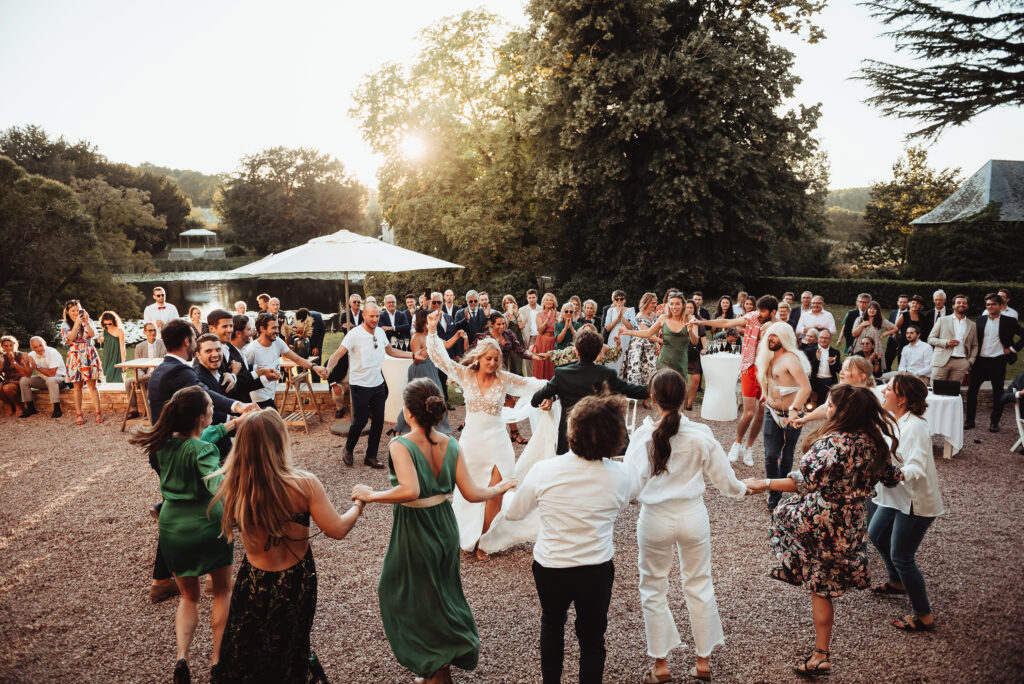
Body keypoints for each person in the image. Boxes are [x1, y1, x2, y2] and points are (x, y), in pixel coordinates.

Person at [352, 379, 515, 684]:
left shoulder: (400, 444)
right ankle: (438, 663)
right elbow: (470, 492)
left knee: (394, 591)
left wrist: (371, 495)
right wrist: (497, 489)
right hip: (444, 525)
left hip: (417, 529)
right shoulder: (451, 444)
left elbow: (410, 489)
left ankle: (435, 664)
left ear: (408, 412)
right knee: (439, 594)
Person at [743, 384, 903, 678]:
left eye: (830, 405)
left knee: (782, 513)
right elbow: (892, 477)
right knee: (822, 585)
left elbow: (801, 483)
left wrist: (763, 484)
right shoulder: (875, 442)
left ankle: (792, 568)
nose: (827, 408)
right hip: (852, 524)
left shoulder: (832, 445)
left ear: (843, 411)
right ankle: (820, 653)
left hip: (822, 520)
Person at [208, 410, 361, 683]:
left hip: (254, 580)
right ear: (280, 441)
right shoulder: (304, 484)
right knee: (291, 644)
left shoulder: (234, 485)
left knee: (248, 646)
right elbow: (337, 529)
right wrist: (359, 504)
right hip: (295, 582)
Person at [505, 392, 641, 684]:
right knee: (593, 638)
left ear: (571, 431)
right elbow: (633, 494)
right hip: (596, 567)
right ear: (612, 435)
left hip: (551, 565)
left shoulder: (544, 471)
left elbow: (514, 514)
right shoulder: (622, 475)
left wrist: (506, 493)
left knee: (552, 625)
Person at [623, 369, 747, 683]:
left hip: (654, 519)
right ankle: (702, 662)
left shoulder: (643, 437)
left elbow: (629, 487)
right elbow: (727, 482)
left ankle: (661, 666)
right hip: (693, 516)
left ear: (652, 399)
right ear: (684, 399)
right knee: (700, 584)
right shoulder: (701, 435)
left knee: (653, 588)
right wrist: (746, 489)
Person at [129, 386, 237, 684]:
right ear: (201, 417)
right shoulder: (203, 450)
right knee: (222, 592)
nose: (213, 412)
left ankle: (182, 659)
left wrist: (230, 425)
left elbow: (197, 441)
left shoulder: (162, 444)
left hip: (172, 526)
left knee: (189, 597)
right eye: (211, 409)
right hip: (206, 525)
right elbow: (216, 483)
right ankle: (216, 660)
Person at [145, 319, 255, 602]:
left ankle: (162, 580)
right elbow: (205, 397)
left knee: (180, 506)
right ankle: (210, 576)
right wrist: (238, 407)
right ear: (187, 342)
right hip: (180, 451)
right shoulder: (180, 371)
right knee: (210, 502)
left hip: (167, 449)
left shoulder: (161, 369)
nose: (195, 344)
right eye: (194, 340)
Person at [425, 310, 547, 559]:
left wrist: (548, 395)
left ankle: (485, 540)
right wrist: (431, 331)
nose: (493, 363)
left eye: (496, 359)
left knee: (497, 489)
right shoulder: (465, 374)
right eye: (489, 359)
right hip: (471, 442)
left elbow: (533, 384)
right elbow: (440, 360)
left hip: (497, 441)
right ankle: (465, 532)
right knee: (470, 490)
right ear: (479, 358)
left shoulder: (503, 379)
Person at [870, 374, 944, 633]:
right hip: (894, 498)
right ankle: (896, 582)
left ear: (902, 399)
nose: (884, 392)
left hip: (914, 502)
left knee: (902, 556)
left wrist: (896, 474)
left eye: (889, 389)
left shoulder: (915, 427)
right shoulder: (893, 418)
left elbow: (916, 466)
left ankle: (923, 614)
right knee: (876, 534)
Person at [325, 302, 424, 469]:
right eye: (372, 316)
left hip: (378, 385)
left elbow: (391, 351)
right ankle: (348, 449)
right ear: (364, 316)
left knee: (378, 422)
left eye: (377, 316)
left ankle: (371, 456)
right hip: (360, 386)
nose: (375, 319)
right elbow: (337, 354)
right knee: (360, 421)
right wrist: (328, 369)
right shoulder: (354, 334)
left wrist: (413, 354)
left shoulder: (380, 332)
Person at [692, 295, 779, 467]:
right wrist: (701, 322)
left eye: (763, 311)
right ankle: (737, 443)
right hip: (749, 367)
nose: (759, 313)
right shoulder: (752, 317)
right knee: (748, 412)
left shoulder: (778, 327)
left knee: (761, 414)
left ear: (773, 312)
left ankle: (749, 447)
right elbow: (726, 323)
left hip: (767, 372)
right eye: (758, 310)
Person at [531, 329, 648, 455]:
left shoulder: (562, 374)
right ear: (599, 351)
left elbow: (535, 400)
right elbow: (636, 391)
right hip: (599, 438)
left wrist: (551, 395)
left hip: (570, 438)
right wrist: (659, 383)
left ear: (576, 351)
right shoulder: (606, 374)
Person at [756, 322, 813, 510]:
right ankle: (774, 492)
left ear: (785, 338)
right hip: (771, 412)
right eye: (770, 336)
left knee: (787, 454)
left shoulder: (790, 359)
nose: (771, 339)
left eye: (776, 336)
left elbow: (806, 388)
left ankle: (779, 490)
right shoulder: (767, 358)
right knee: (771, 455)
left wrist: (794, 409)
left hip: (792, 415)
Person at [243, 313, 327, 410]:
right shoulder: (251, 350)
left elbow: (297, 359)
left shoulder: (277, 342)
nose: (277, 331)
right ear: (262, 329)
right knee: (277, 423)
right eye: (274, 328)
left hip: (270, 395)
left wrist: (314, 367)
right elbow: (245, 378)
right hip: (258, 400)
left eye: (277, 328)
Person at [966, 293, 1024, 431]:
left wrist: (1012, 349)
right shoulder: (980, 320)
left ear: (1000, 305)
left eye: (993, 304)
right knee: (972, 391)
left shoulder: (1009, 321)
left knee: (998, 393)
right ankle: (969, 421)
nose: (990, 307)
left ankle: (994, 423)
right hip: (980, 361)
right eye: (988, 304)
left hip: (998, 361)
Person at [617, 292, 699, 385]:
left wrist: (690, 331)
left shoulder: (690, 319)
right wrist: (628, 332)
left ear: (683, 305)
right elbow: (648, 333)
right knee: (662, 393)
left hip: (680, 363)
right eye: (671, 304)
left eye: (677, 304)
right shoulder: (663, 318)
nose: (674, 307)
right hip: (664, 362)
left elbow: (695, 341)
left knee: (679, 394)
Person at [395, 309, 453, 437]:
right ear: (423, 322)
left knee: (438, 396)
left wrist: (459, 335)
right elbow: (415, 361)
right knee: (416, 400)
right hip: (419, 369)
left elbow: (447, 345)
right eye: (429, 320)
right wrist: (421, 354)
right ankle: (399, 427)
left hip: (432, 368)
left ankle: (441, 430)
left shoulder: (432, 336)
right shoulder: (416, 338)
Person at [61, 299, 103, 425]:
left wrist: (86, 322)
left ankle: (98, 412)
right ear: (67, 312)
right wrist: (77, 324)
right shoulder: (64, 325)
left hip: (89, 354)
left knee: (92, 386)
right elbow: (70, 339)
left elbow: (93, 334)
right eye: (72, 311)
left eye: (77, 310)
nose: (75, 313)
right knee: (77, 386)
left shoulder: (87, 320)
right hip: (75, 355)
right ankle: (79, 414)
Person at [928, 294, 978, 383]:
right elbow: (930, 339)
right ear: (953, 306)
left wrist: (970, 361)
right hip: (941, 360)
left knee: (954, 391)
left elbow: (975, 345)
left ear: (967, 306)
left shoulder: (972, 325)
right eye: (958, 302)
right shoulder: (942, 320)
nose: (961, 304)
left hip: (961, 362)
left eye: (964, 303)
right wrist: (946, 342)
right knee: (936, 389)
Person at [17, 336, 67, 418]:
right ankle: (30, 408)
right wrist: (26, 364)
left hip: (60, 379)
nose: (39, 349)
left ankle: (57, 409)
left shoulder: (53, 352)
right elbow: (27, 375)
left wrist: (36, 366)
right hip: (44, 379)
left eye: (41, 345)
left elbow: (52, 374)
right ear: (31, 347)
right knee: (24, 380)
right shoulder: (31, 355)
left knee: (50, 380)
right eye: (35, 347)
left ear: (45, 344)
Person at [619, 292, 660, 388]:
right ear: (646, 303)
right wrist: (661, 341)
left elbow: (654, 332)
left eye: (655, 303)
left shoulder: (654, 315)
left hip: (651, 347)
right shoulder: (640, 316)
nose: (655, 305)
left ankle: (646, 399)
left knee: (651, 371)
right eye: (652, 303)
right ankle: (634, 397)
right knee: (638, 371)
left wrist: (656, 343)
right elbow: (647, 334)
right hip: (639, 347)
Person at [126, 322, 167, 417]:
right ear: (144, 332)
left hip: (158, 376)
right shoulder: (139, 347)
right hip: (144, 377)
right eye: (150, 330)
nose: (153, 333)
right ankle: (134, 410)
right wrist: (142, 376)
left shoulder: (163, 344)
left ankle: (150, 411)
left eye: (154, 330)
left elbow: (164, 363)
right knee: (128, 382)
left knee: (152, 379)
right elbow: (137, 366)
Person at [805, 329, 841, 407]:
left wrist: (833, 363)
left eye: (826, 338)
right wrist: (817, 359)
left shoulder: (835, 352)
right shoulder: (809, 351)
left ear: (830, 340)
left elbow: (839, 370)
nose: (823, 340)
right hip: (816, 382)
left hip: (830, 381)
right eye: (821, 337)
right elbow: (808, 370)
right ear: (818, 338)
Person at [1, 335, 32, 416]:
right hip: (7, 380)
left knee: (7, 388)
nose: (9, 348)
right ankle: (9, 405)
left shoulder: (22, 355)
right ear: (2, 347)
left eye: (11, 345)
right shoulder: (1, 357)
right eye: (6, 346)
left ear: (16, 345)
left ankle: (19, 406)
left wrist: (13, 361)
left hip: (21, 380)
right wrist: (0, 367)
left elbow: (26, 373)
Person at [97, 311, 127, 383]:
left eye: (109, 323)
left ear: (114, 321)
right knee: (106, 376)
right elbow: (105, 340)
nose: (108, 325)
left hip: (116, 356)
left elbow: (122, 347)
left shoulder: (119, 331)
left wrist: (123, 362)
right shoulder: (105, 330)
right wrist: (101, 340)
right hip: (107, 355)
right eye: (105, 324)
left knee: (117, 377)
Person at [455, 290, 487, 357]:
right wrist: (465, 320)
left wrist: (488, 317)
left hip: (480, 348)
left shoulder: (483, 312)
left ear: (478, 301)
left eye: (475, 301)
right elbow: (455, 328)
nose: (473, 303)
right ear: (467, 302)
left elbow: (487, 328)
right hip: (465, 349)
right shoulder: (460, 313)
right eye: (471, 301)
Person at [884, 294, 910, 371]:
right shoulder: (893, 312)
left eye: (905, 302)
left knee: (901, 361)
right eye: (901, 302)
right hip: (892, 340)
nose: (902, 304)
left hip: (903, 341)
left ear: (908, 303)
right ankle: (886, 377)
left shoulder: (909, 314)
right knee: (887, 361)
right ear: (897, 302)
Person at [502, 294, 526, 375]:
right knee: (510, 367)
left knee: (519, 368)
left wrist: (516, 313)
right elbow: (503, 330)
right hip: (508, 343)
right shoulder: (503, 316)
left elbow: (521, 326)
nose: (508, 304)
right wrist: (508, 319)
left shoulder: (518, 314)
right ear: (504, 305)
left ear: (514, 303)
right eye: (506, 303)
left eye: (510, 302)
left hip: (518, 342)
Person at [520, 289, 541, 376]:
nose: (531, 299)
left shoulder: (541, 309)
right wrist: (523, 339)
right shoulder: (522, 310)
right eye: (529, 298)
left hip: (539, 337)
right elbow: (520, 326)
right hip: (528, 338)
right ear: (527, 298)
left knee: (539, 361)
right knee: (528, 362)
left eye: (533, 297)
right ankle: (529, 381)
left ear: (536, 298)